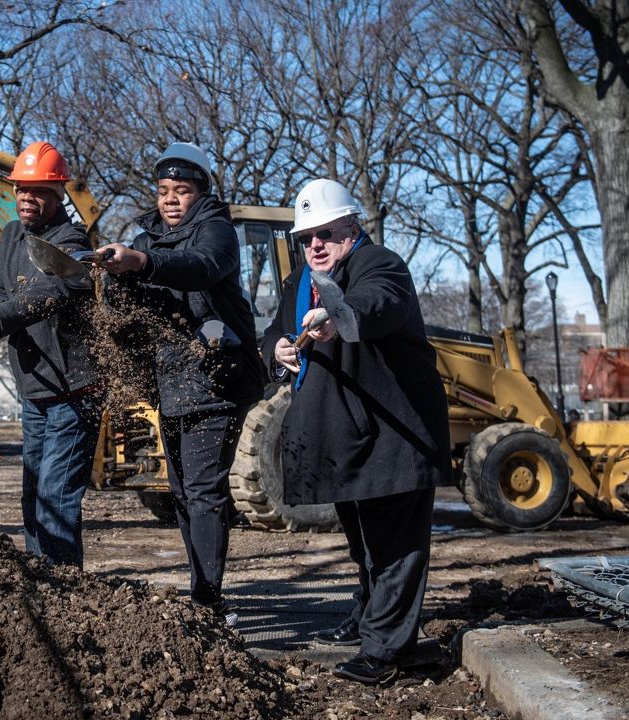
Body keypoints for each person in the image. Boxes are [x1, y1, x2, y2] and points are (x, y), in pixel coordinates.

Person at [262, 178, 451, 684]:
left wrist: (340, 315)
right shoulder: (299, 281)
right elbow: (275, 332)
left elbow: (377, 302)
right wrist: (277, 349)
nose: (315, 245)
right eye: (306, 238)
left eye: (326, 233)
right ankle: (370, 619)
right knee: (365, 545)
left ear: (352, 227)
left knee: (395, 546)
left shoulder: (379, 264)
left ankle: (388, 655)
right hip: (345, 435)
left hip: (395, 434)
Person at [99, 142, 264, 625]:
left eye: (182, 191)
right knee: (183, 491)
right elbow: (131, 297)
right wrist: (115, 276)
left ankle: (209, 601)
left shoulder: (216, 230)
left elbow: (200, 268)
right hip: (170, 383)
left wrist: (141, 264)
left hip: (217, 379)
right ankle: (202, 592)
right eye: (164, 190)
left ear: (200, 193)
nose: (170, 199)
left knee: (205, 489)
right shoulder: (147, 235)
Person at [0, 141, 100, 568]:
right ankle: (42, 579)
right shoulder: (13, 235)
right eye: (20, 189)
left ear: (58, 194)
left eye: (37, 190)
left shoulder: (72, 244)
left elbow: (48, 292)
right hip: (35, 390)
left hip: (75, 393)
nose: (25, 198)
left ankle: (65, 595)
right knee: (33, 495)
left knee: (55, 497)